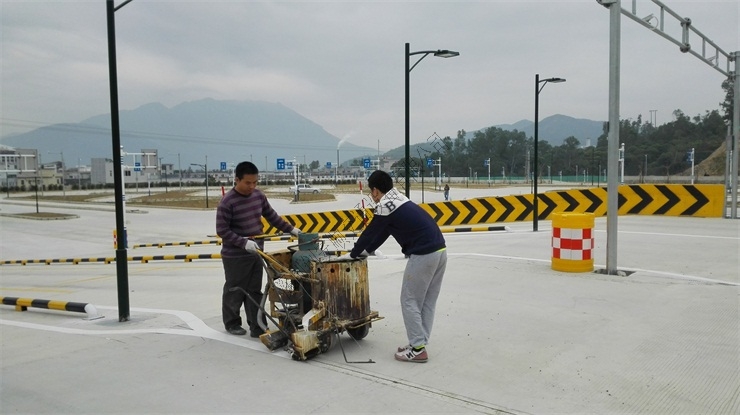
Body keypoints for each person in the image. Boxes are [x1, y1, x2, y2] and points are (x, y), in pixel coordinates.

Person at [342, 170, 447, 363]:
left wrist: (353, 253)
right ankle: (419, 342)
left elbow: (370, 232)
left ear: (375, 191)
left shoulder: (385, 205)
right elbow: (384, 232)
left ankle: (417, 349)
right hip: (440, 251)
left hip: (424, 254)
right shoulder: (399, 199)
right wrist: (369, 251)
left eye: (370, 192)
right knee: (426, 302)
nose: (371, 196)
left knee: (409, 300)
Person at [216, 161, 301, 337]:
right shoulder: (227, 202)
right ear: (237, 179)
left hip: (256, 252)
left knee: (254, 290)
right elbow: (222, 230)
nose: (252, 186)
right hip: (235, 256)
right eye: (248, 183)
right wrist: (243, 242)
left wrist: (292, 230)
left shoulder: (258, 196)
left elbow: (272, 217)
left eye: (255, 182)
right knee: (236, 289)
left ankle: (256, 325)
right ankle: (232, 323)